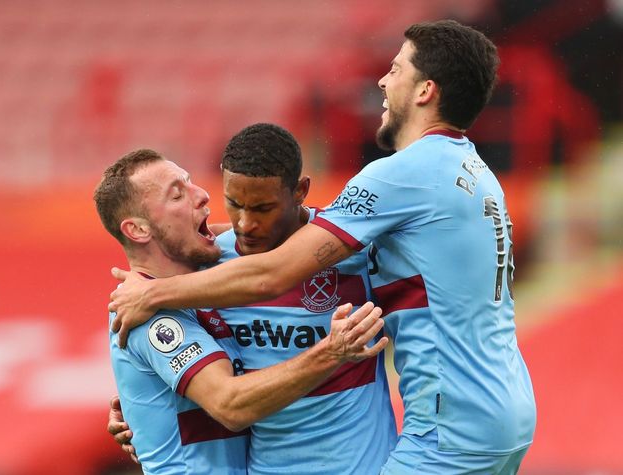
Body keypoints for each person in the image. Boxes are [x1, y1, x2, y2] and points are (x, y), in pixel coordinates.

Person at [109, 20, 537, 474]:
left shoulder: (404, 172)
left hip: (450, 423)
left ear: (425, 90)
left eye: (395, 69)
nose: (382, 81)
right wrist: (153, 410)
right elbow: (283, 236)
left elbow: (274, 271)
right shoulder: (472, 172)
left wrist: (150, 293)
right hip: (501, 404)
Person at [108, 124, 397, 474]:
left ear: (300, 191)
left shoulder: (349, 249)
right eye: (233, 204)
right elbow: (223, 400)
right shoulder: (212, 268)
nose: (245, 225)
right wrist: (143, 410)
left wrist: (142, 407)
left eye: (262, 208)